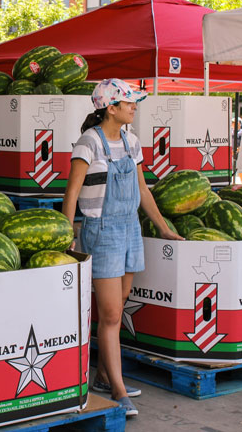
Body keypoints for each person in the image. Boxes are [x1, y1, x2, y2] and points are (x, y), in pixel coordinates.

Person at [62, 78, 183, 417]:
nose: (134, 106)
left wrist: (164, 229)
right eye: (129, 102)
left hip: (129, 228)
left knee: (119, 306)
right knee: (113, 315)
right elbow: (71, 193)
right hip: (100, 231)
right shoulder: (89, 143)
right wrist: (67, 237)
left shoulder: (131, 141)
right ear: (110, 108)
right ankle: (117, 389)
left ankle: (103, 375)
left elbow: (143, 191)